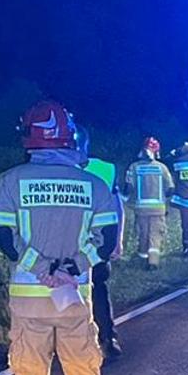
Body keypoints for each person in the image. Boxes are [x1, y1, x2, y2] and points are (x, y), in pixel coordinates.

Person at [0, 100, 119, 375]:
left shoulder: (12, 181)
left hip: (30, 298)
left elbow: (5, 240)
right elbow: (108, 242)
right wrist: (75, 266)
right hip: (74, 298)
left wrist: (42, 266)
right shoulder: (94, 183)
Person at [80, 139, 125, 360]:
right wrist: (116, 240)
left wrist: (117, 240)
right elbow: (117, 207)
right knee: (97, 289)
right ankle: (107, 339)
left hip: (63, 247)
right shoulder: (103, 170)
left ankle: (104, 338)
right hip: (96, 244)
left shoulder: (48, 170)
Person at [123, 137, 172, 269]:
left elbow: (129, 187)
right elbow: (170, 188)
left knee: (143, 234)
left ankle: (141, 259)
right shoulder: (162, 168)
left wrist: (128, 197)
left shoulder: (134, 167)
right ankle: (153, 262)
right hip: (158, 208)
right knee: (155, 235)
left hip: (141, 208)